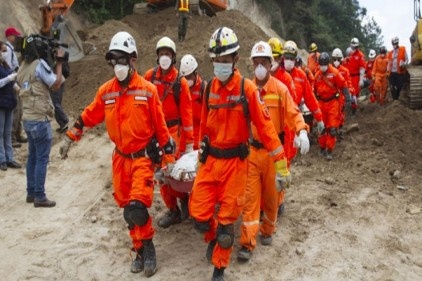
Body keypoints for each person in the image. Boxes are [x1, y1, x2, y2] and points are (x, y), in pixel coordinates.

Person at [59, 31, 174, 277]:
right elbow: (89, 115)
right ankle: (139, 250)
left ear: (133, 60)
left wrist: (168, 159)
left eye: (122, 60)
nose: (118, 65)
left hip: (143, 158)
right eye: (114, 60)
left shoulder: (148, 91)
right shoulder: (106, 92)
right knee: (127, 212)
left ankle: (149, 247)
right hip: (120, 159)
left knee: (138, 207)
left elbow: (161, 128)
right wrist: (71, 137)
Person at [189, 27, 291, 281]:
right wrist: (198, 151)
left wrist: (281, 163)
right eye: (216, 60)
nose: (220, 64)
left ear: (235, 60)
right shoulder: (209, 87)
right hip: (210, 161)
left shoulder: (247, 90)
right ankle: (213, 238)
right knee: (198, 215)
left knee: (226, 224)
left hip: (237, 165)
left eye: (225, 60)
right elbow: (203, 125)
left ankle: (219, 268)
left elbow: (267, 129)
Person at [237, 41, 308, 262]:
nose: (259, 67)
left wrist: (302, 130)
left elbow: (293, 113)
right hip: (252, 152)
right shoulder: (247, 89)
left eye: (263, 63)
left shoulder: (280, 89)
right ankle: (247, 243)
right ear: (252, 64)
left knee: (272, 198)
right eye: (256, 63)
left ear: (271, 64)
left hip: (274, 155)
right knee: (250, 201)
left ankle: (267, 230)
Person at [144, 36, 194, 228]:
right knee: (161, 175)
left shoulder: (180, 83)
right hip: (153, 132)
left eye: (168, 54)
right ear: (157, 56)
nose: (164, 57)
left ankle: (183, 201)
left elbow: (187, 116)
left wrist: (188, 144)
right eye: (162, 53)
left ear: (173, 57)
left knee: (171, 173)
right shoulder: (149, 76)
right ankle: (173, 210)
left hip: (172, 133)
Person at [16, 35, 65, 207]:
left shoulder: (22, 67)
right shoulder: (40, 65)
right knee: (42, 158)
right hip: (40, 119)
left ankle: (31, 193)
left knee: (33, 156)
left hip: (28, 119)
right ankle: (39, 196)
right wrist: (59, 63)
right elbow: (56, 84)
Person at [283, 40, 324, 143]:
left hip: (294, 116)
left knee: (290, 154)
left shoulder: (301, 75)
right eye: (286, 58)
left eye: (291, 58)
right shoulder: (276, 74)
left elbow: (310, 98)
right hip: (278, 117)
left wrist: (319, 118)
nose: (289, 61)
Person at [314, 52, 351, 161]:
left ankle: (329, 150)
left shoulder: (335, 73)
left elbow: (343, 85)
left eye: (324, 64)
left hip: (333, 103)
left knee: (332, 128)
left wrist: (348, 99)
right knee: (321, 127)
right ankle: (322, 148)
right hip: (321, 103)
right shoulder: (318, 75)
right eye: (321, 64)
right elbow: (314, 91)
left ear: (328, 63)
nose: (322, 66)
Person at [0, 40, 21, 171]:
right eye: (2, 51)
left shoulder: (5, 65)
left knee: (7, 133)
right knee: (0, 133)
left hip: (9, 101)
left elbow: (10, 81)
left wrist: (17, 86)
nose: (4, 53)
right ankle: (2, 159)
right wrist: (9, 79)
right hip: (1, 103)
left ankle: (9, 158)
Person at [4, 26, 27, 148]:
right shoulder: (7, 50)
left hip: (14, 81)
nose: (17, 38)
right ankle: (12, 137)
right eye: (15, 35)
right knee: (15, 110)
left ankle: (18, 133)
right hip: (12, 83)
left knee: (20, 109)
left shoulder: (11, 50)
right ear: (10, 36)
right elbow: (8, 68)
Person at [179, 54, 206, 149]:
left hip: (199, 143)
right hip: (183, 144)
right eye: (185, 77)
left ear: (196, 73)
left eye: (189, 77)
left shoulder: (204, 89)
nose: (187, 80)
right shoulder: (179, 89)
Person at [331, 47, 354, 136]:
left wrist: (350, 94)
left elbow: (349, 84)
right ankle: (332, 130)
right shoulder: (328, 71)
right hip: (331, 97)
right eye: (334, 59)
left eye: (338, 59)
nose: (336, 61)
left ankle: (339, 129)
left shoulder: (345, 71)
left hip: (341, 96)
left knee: (341, 115)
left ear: (341, 60)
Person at [344, 37, 365, 115]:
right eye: (352, 47)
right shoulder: (349, 54)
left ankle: (354, 111)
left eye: (355, 47)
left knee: (354, 94)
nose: (353, 48)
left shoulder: (360, 55)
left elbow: (362, 68)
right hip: (348, 77)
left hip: (356, 77)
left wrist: (361, 79)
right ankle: (351, 109)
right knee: (349, 94)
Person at [51, 60, 70, 133]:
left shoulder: (48, 60)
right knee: (56, 103)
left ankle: (64, 121)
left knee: (55, 103)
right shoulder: (52, 57)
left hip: (57, 82)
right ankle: (62, 124)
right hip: (59, 80)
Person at [387, 36, 408, 101]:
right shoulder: (390, 53)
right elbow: (389, 63)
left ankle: (397, 97)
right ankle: (394, 99)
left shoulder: (402, 49)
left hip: (399, 72)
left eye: (396, 43)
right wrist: (387, 71)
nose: (395, 45)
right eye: (393, 43)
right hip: (392, 72)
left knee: (399, 86)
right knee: (392, 87)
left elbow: (407, 59)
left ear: (397, 43)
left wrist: (404, 64)